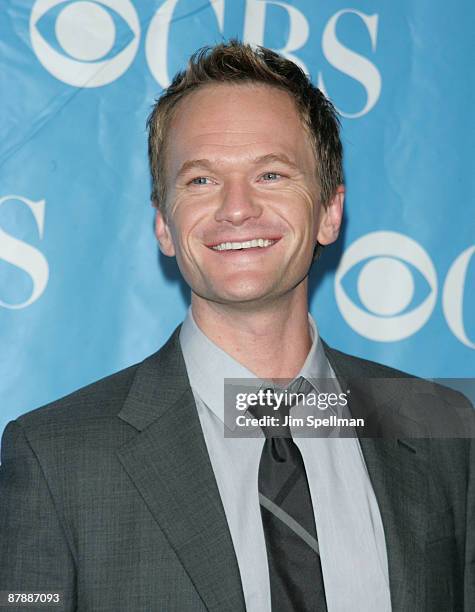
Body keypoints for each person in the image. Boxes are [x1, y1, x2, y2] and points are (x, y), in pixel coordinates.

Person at [0, 41, 473, 612]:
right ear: (165, 226)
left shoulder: (441, 432)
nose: (237, 208)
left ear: (329, 211)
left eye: (271, 173)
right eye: (201, 181)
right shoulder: (56, 457)